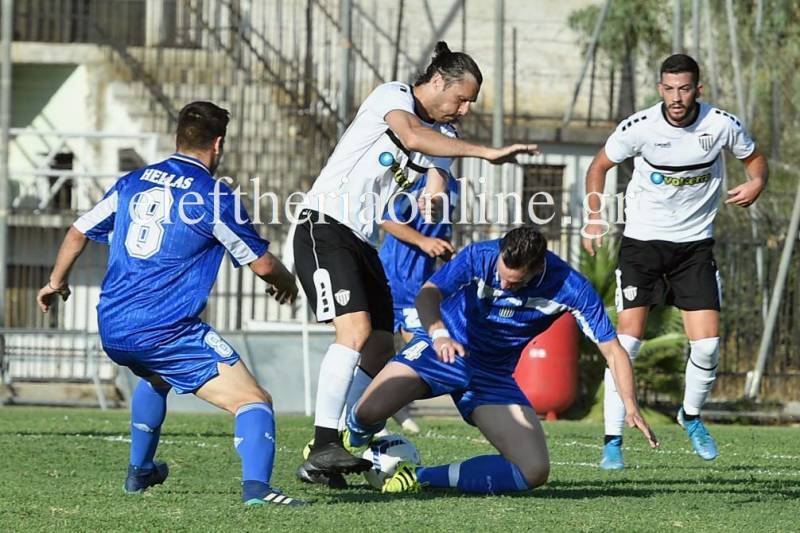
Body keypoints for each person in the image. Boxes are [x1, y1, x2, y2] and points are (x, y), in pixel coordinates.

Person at [292, 40, 538, 488]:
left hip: (363, 241)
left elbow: (436, 174)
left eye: (470, 103)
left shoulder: (443, 136)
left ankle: (332, 446)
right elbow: (410, 137)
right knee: (355, 332)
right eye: (461, 98)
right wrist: (486, 152)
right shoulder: (393, 96)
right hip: (324, 226)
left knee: (379, 347)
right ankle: (324, 440)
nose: (464, 109)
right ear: (438, 81)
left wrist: (434, 194)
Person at [36, 101, 305, 506]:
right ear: (218, 144)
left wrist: (55, 283)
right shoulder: (213, 196)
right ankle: (258, 491)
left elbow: (78, 232)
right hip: (165, 330)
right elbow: (263, 264)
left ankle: (140, 472)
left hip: (114, 327)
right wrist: (287, 283)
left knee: (155, 377)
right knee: (253, 401)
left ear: (178, 138)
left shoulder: (132, 182)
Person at [344, 226, 659, 495]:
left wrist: (630, 405)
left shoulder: (570, 287)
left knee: (533, 470)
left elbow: (613, 349)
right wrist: (439, 335)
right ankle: (347, 438)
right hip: (441, 349)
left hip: (491, 375)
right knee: (368, 412)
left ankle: (419, 476)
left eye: (515, 283)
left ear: (538, 268)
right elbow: (428, 294)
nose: (504, 285)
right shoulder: (480, 255)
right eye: (502, 275)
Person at [582, 54, 769, 469]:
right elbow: (599, 166)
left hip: (694, 248)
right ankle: (612, 441)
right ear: (660, 89)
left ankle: (691, 415)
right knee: (627, 343)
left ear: (697, 90)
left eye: (684, 89)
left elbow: (755, 160)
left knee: (708, 345)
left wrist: (756, 182)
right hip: (642, 245)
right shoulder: (640, 127)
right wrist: (594, 218)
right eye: (669, 89)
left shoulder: (721, 124)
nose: (676, 97)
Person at [379, 169, 461, 433]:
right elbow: (385, 219)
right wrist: (424, 241)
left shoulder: (453, 187)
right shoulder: (413, 180)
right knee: (374, 350)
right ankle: (374, 411)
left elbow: (439, 230)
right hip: (390, 279)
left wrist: (444, 249)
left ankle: (392, 407)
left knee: (422, 348)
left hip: (418, 285)